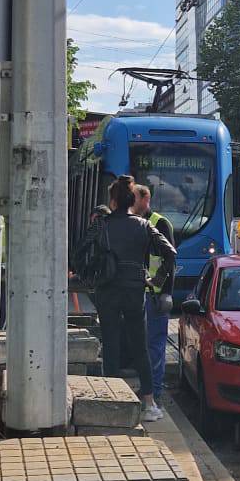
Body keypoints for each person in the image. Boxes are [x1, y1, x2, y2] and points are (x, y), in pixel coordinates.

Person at [82, 174, 176, 422]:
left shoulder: (102, 224)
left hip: (107, 289)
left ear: (112, 200)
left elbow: (79, 251)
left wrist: (90, 278)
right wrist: (156, 280)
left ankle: (114, 402)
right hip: (135, 290)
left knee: (111, 345)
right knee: (140, 347)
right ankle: (148, 404)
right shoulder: (144, 225)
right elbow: (170, 252)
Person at [132, 181, 175, 412]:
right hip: (140, 294)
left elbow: (170, 260)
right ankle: (148, 388)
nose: (132, 204)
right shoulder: (135, 223)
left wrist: (167, 292)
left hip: (156, 296)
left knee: (155, 346)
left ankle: (154, 392)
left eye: (135, 199)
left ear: (145, 200)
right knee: (143, 345)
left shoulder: (159, 223)